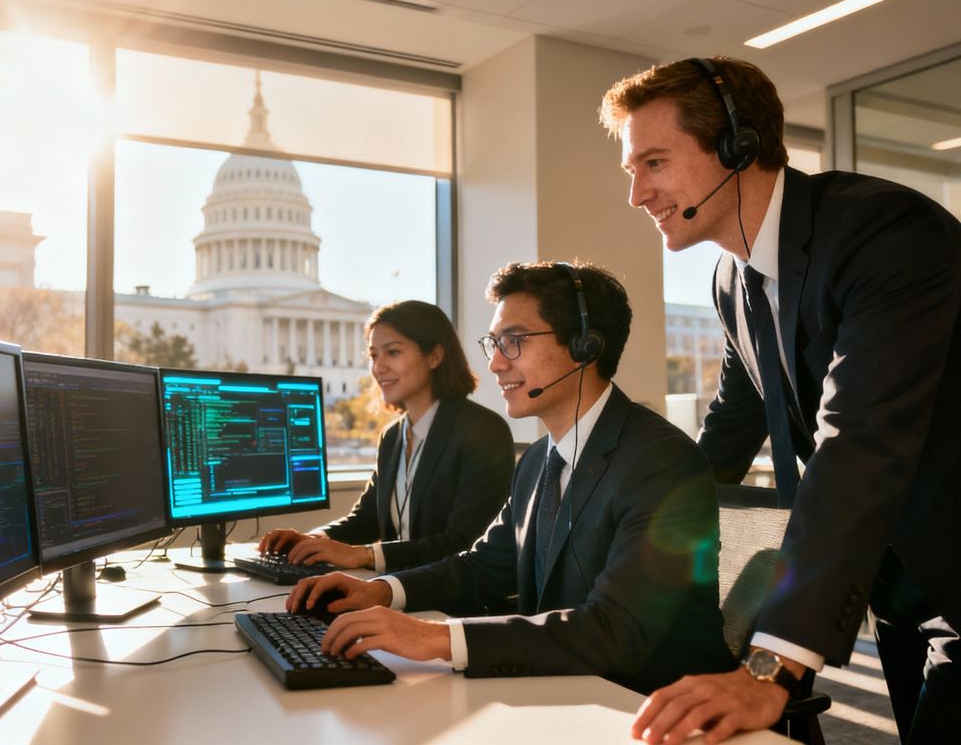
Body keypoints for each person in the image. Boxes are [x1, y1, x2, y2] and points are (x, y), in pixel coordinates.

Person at [599, 56, 961, 743]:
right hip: (904, 571)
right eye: (632, 170)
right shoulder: (733, 283)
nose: (636, 194)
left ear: (738, 145)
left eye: (653, 163)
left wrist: (772, 667)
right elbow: (725, 435)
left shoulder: (883, 233)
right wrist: (623, 546)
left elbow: (859, 440)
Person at [287, 262, 735, 692]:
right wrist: (382, 591)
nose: (496, 364)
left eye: (514, 341)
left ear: (585, 346)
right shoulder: (539, 460)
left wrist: (437, 639)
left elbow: (616, 629)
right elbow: (483, 568)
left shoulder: (661, 461)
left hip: (653, 707)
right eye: (494, 343)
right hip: (566, 690)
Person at [258, 300, 514, 572]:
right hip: (394, 591)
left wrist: (367, 556)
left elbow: (462, 542)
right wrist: (314, 539)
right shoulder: (392, 436)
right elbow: (366, 519)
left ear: (435, 356)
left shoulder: (482, 430)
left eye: (392, 352)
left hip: (451, 601)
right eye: (373, 356)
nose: (378, 368)